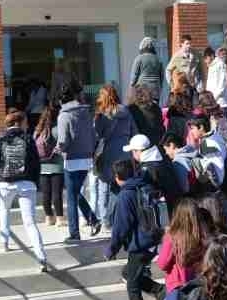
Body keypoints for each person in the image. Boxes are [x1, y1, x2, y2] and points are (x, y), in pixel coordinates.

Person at [105, 158, 166, 300]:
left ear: (117, 177)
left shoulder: (126, 195)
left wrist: (112, 248)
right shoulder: (145, 185)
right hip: (153, 239)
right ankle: (160, 290)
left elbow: (121, 226)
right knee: (129, 274)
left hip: (140, 244)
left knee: (132, 285)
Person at [0, 110, 48, 272]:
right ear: (18, 123)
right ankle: (41, 256)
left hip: (5, 183)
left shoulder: (1, 138)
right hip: (26, 183)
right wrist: (36, 183)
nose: (27, 124)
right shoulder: (28, 138)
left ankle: (4, 242)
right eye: (26, 122)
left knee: (4, 210)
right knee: (30, 222)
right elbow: (36, 163)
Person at [55, 82, 101, 243]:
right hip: (86, 156)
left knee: (71, 196)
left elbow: (63, 141)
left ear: (61, 100)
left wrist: (57, 150)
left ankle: (74, 233)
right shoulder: (85, 112)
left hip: (72, 159)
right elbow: (93, 135)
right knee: (74, 192)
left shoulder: (63, 116)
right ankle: (93, 220)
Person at [94, 84, 135, 226]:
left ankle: (107, 219)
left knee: (106, 185)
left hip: (109, 152)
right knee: (120, 185)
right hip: (125, 151)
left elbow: (97, 135)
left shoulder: (102, 115)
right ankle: (116, 217)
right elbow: (134, 131)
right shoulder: (127, 111)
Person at [126, 133, 183, 211]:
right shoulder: (161, 160)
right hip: (175, 205)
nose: (132, 155)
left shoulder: (147, 168)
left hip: (164, 212)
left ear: (137, 151)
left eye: (132, 152)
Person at [33, 104, 64, 228]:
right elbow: (62, 144)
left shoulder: (37, 131)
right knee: (57, 193)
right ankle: (60, 218)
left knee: (46, 194)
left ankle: (49, 217)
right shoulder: (57, 129)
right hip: (56, 165)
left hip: (42, 166)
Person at [205, 47, 227, 127]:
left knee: (225, 127)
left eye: (206, 58)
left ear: (211, 56)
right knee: (216, 127)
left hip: (220, 102)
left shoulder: (220, 64)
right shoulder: (211, 66)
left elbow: (222, 83)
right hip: (213, 102)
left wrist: (214, 97)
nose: (205, 61)